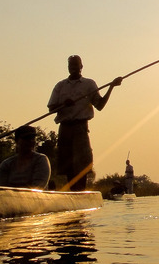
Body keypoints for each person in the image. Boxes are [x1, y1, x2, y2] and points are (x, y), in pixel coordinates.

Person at [47, 54, 122, 190]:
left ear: (81, 67)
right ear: (68, 68)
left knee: (82, 164)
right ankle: (72, 192)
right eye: (71, 66)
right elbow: (51, 108)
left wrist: (111, 86)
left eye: (76, 65)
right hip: (65, 128)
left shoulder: (89, 84)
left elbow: (99, 105)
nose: (74, 68)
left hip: (80, 127)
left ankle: (81, 192)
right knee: (68, 166)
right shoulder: (60, 86)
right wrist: (63, 105)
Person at [0, 125, 51, 189]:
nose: (30, 141)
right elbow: (2, 189)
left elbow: (38, 187)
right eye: (26, 138)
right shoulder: (6, 164)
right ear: (17, 141)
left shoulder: (41, 160)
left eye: (32, 138)